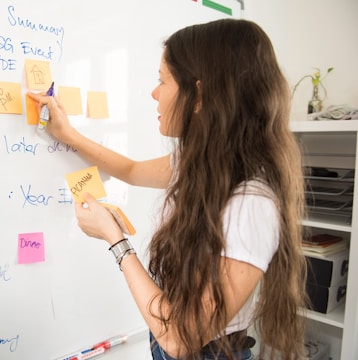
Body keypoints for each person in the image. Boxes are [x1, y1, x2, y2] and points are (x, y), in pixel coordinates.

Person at [28, 18, 307, 360]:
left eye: (162, 81)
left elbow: (179, 339)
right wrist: (68, 134)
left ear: (200, 95)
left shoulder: (251, 203)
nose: (154, 93)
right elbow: (130, 170)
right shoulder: (207, 162)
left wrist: (116, 240)